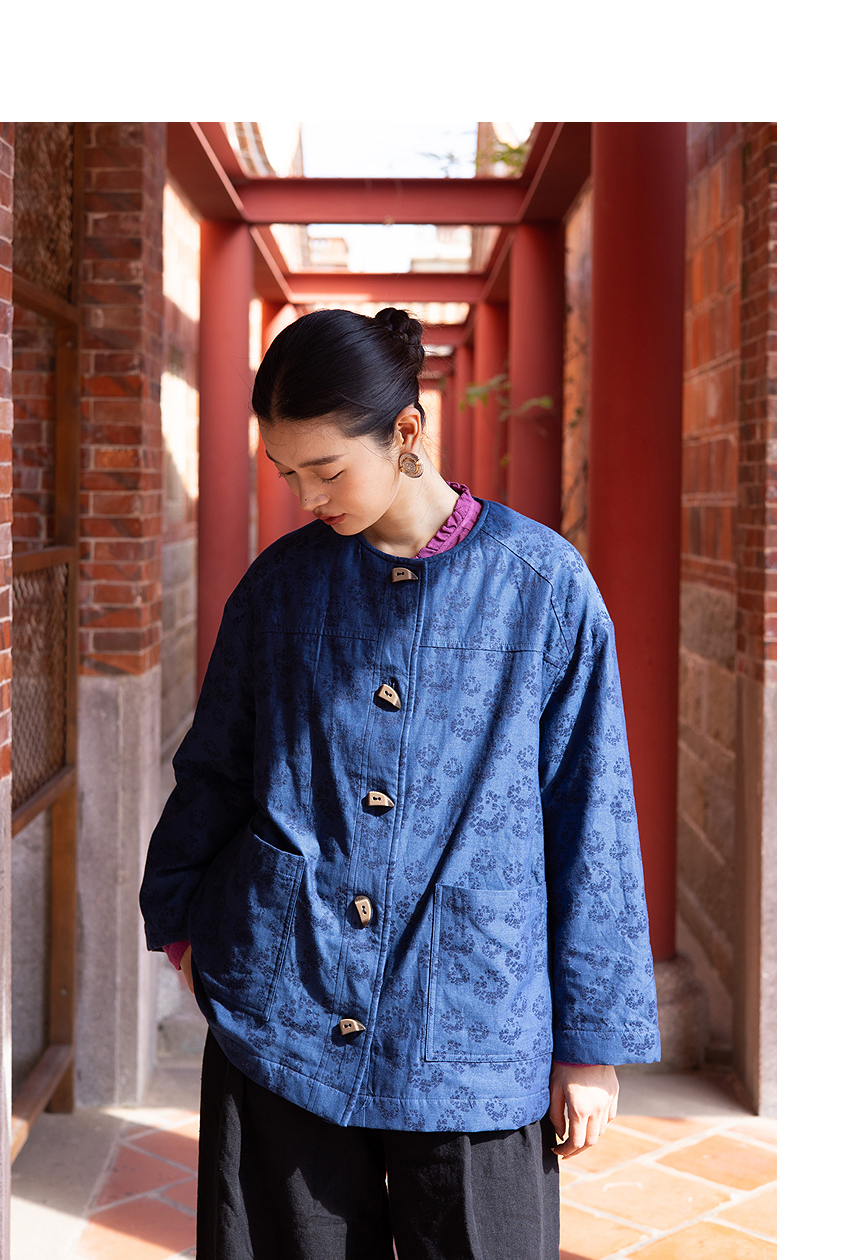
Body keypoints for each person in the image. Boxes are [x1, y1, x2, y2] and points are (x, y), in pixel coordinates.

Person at [139, 307, 660, 1260]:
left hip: (475, 1023)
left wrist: (589, 1044)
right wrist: (183, 926)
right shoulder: (279, 587)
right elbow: (213, 765)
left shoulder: (543, 586)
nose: (306, 496)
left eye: (326, 469)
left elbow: (595, 815)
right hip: (285, 1008)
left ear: (407, 432)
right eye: (286, 473)